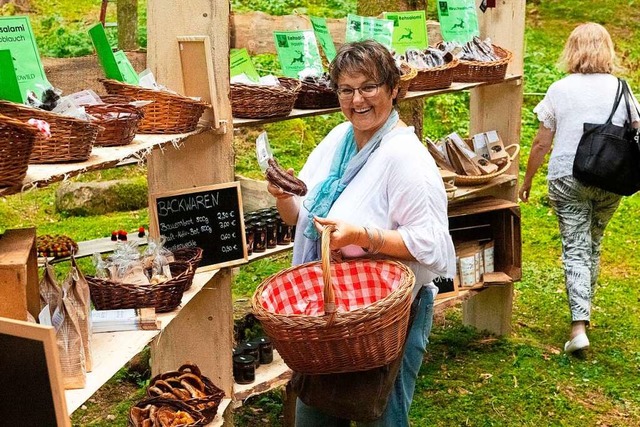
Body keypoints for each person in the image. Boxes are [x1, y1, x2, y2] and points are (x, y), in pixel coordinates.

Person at [267, 40, 456, 426]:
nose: (358, 100)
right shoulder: (338, 140)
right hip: (331, 315)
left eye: (369, 87)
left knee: (381, 419)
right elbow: (300, 219)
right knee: (314, 416)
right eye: (347, 90)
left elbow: (431, 247)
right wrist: (284, 196)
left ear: (393, 89)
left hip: (387, 320)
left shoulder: (406, 159)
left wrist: (363, 236)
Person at [519, 23, 640, 354]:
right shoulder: (623, 89)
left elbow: (542, 142)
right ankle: (584, 316)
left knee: (575, 245)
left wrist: (527, 179)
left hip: (568, 178)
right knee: (593, 243)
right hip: (610, 179)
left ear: (572, 50)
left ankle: (578, 328)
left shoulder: (560, 89)